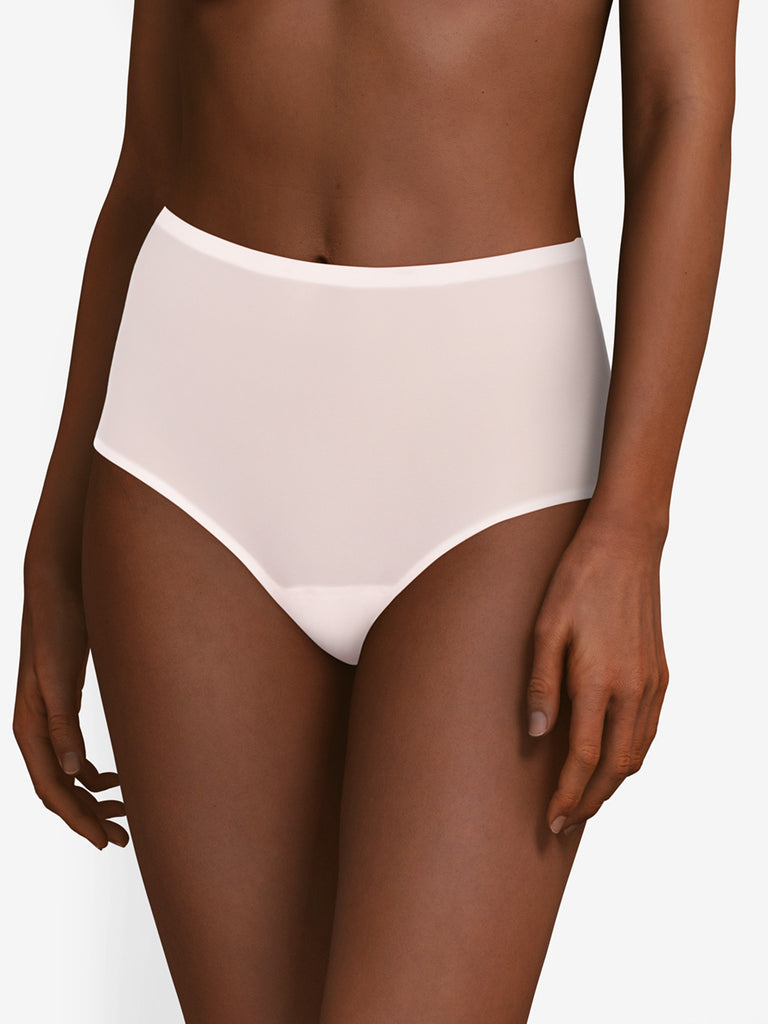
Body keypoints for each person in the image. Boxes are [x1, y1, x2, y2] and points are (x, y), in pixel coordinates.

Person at [13, 1, 739, 1021]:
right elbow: (150, 151)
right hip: (185, 443)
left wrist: (634, 527)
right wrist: (52, 550)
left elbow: (683, 106)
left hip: (498, 456)